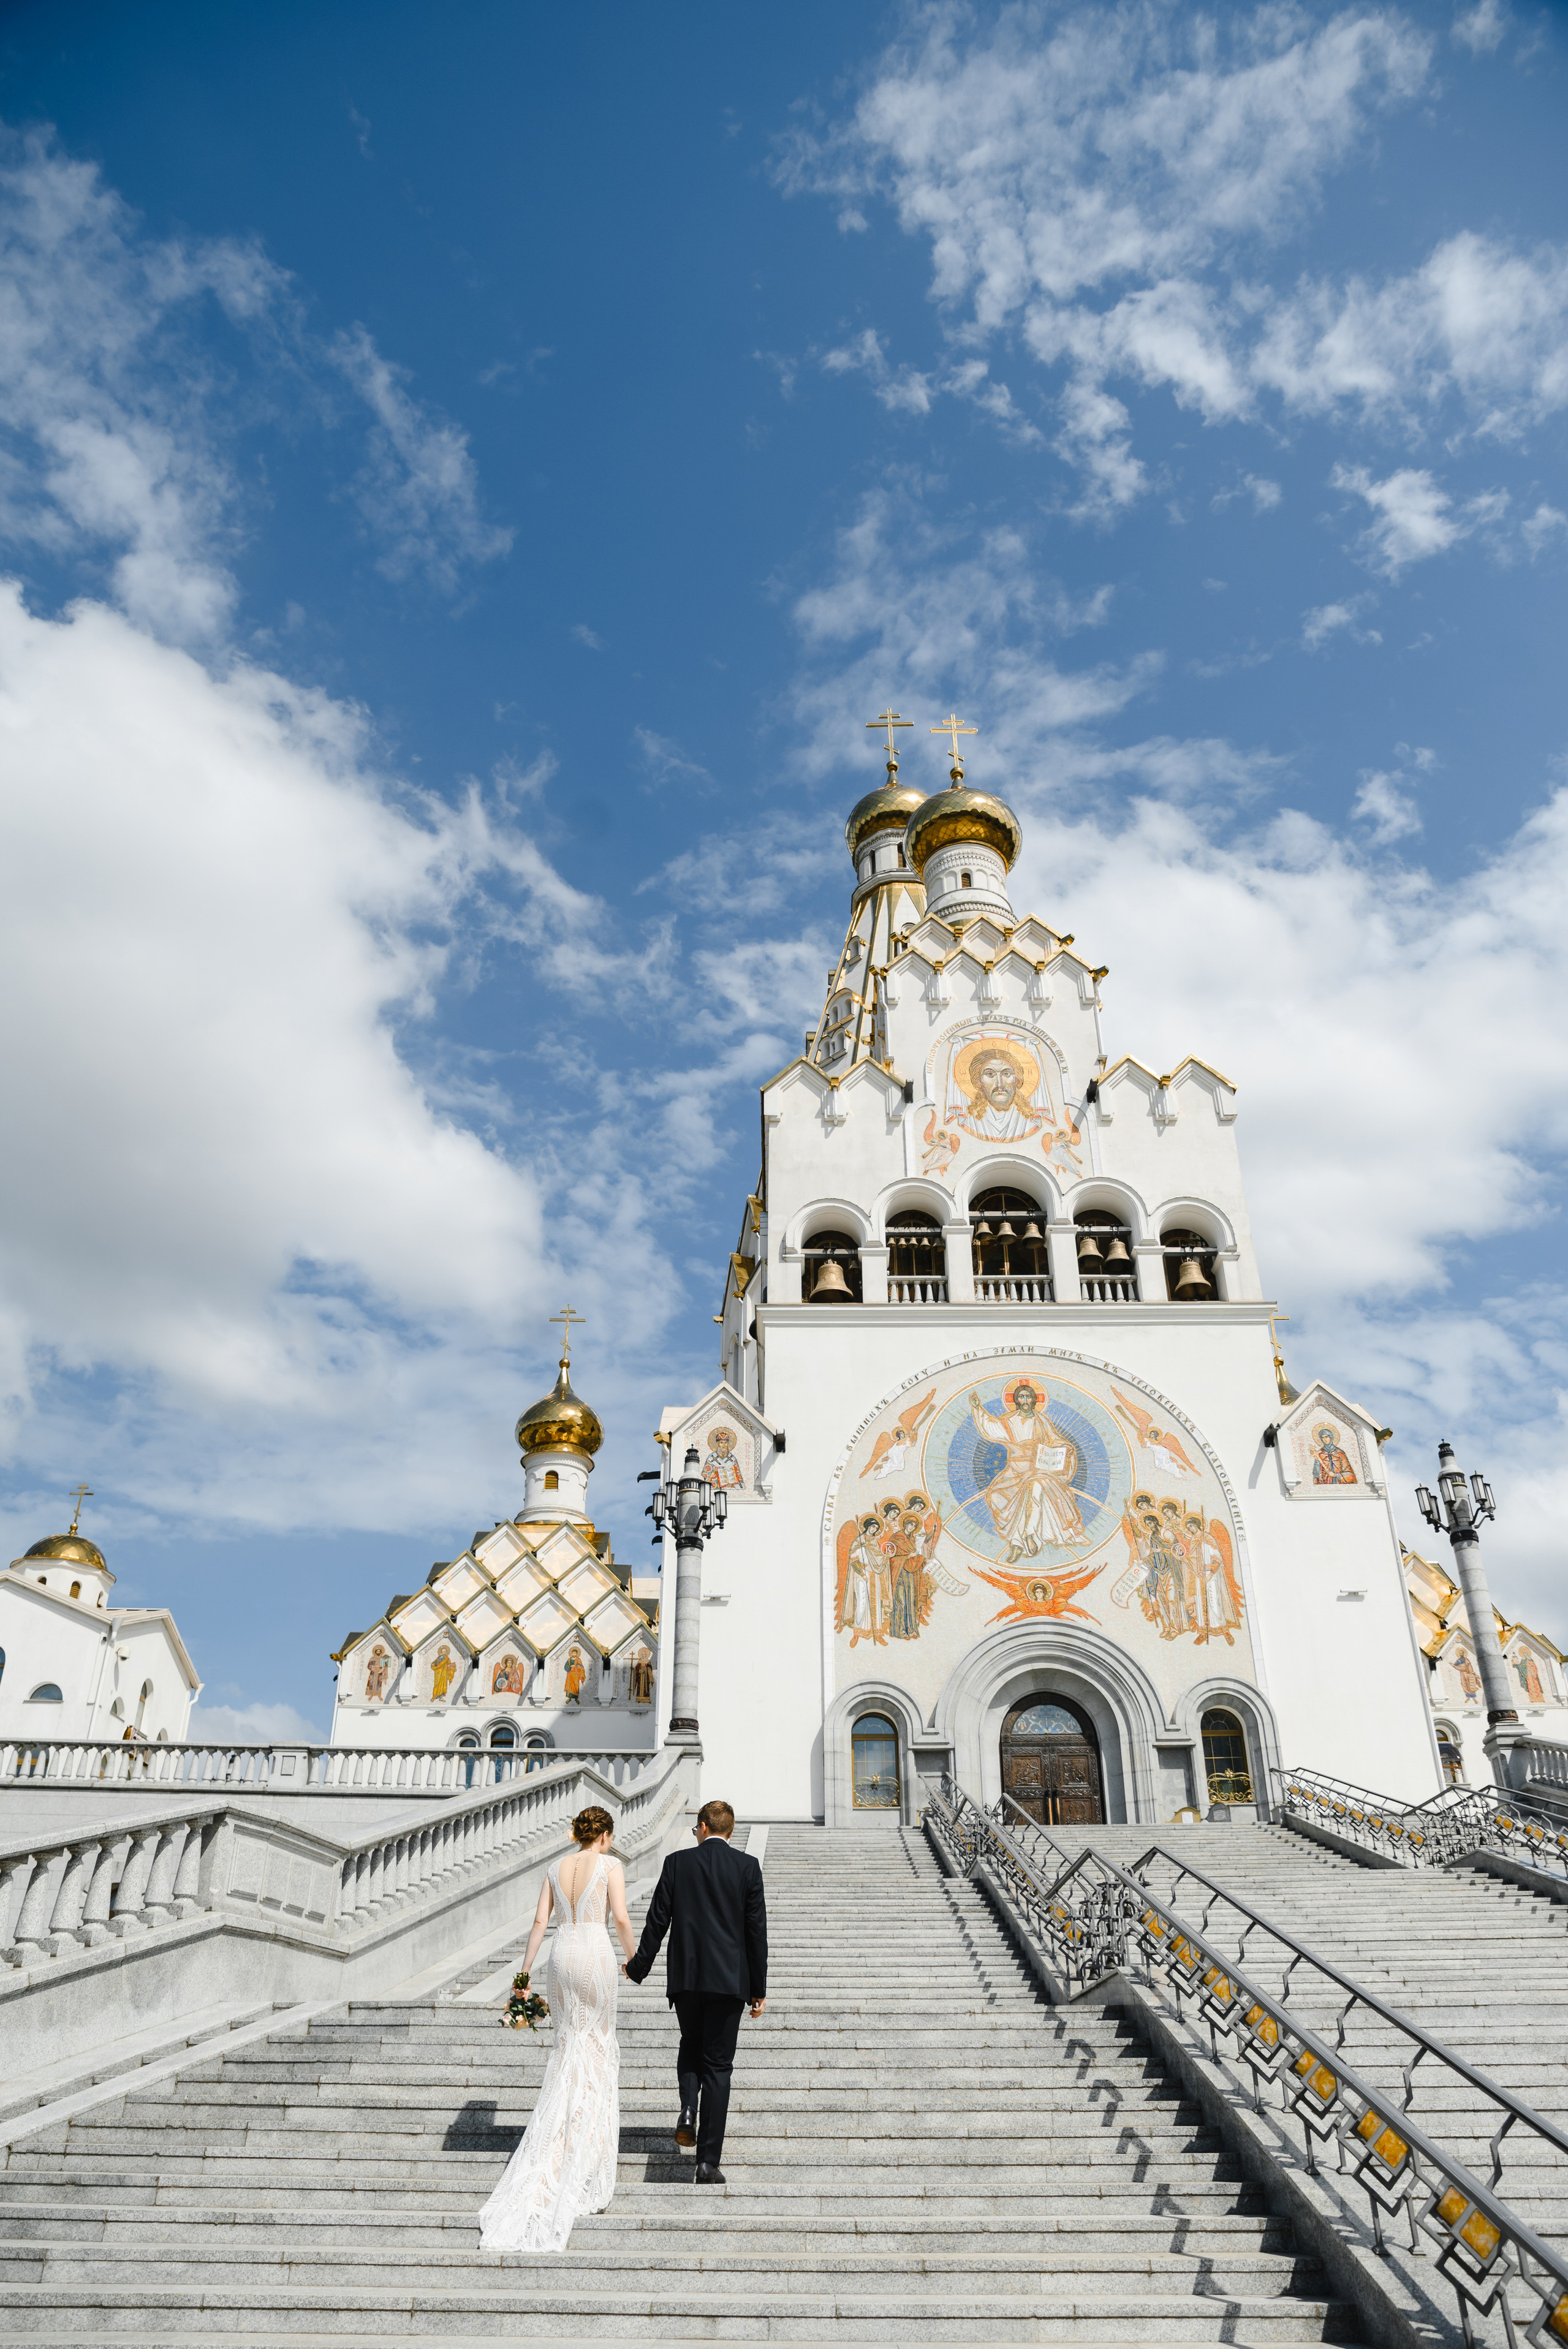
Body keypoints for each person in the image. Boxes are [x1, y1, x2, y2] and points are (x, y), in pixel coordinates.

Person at [477, 1803, 638, 2254]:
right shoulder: (610, 1865)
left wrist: (523, 1976)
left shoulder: (554, 1867)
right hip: (595, 1953)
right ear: (604, 1835)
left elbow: (538, 1922)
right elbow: (620, 1918)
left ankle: (560, 2139)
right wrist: (635, 1958)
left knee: (568, 2046)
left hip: (561, 1954)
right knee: (596, 2047)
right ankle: (585, 2149)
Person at [623, 1798, 767, 2185]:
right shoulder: (748, 1867)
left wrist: (638, 1967)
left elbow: (657, 1921)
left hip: (686, 1978)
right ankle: (707, 2163)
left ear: (703, 1827)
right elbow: (756, 1932)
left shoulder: (677, 1863)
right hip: (730, 1981)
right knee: (718, 2067)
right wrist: (758, 1988)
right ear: (730, 1832)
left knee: (690, 2042)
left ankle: (688, 2109)